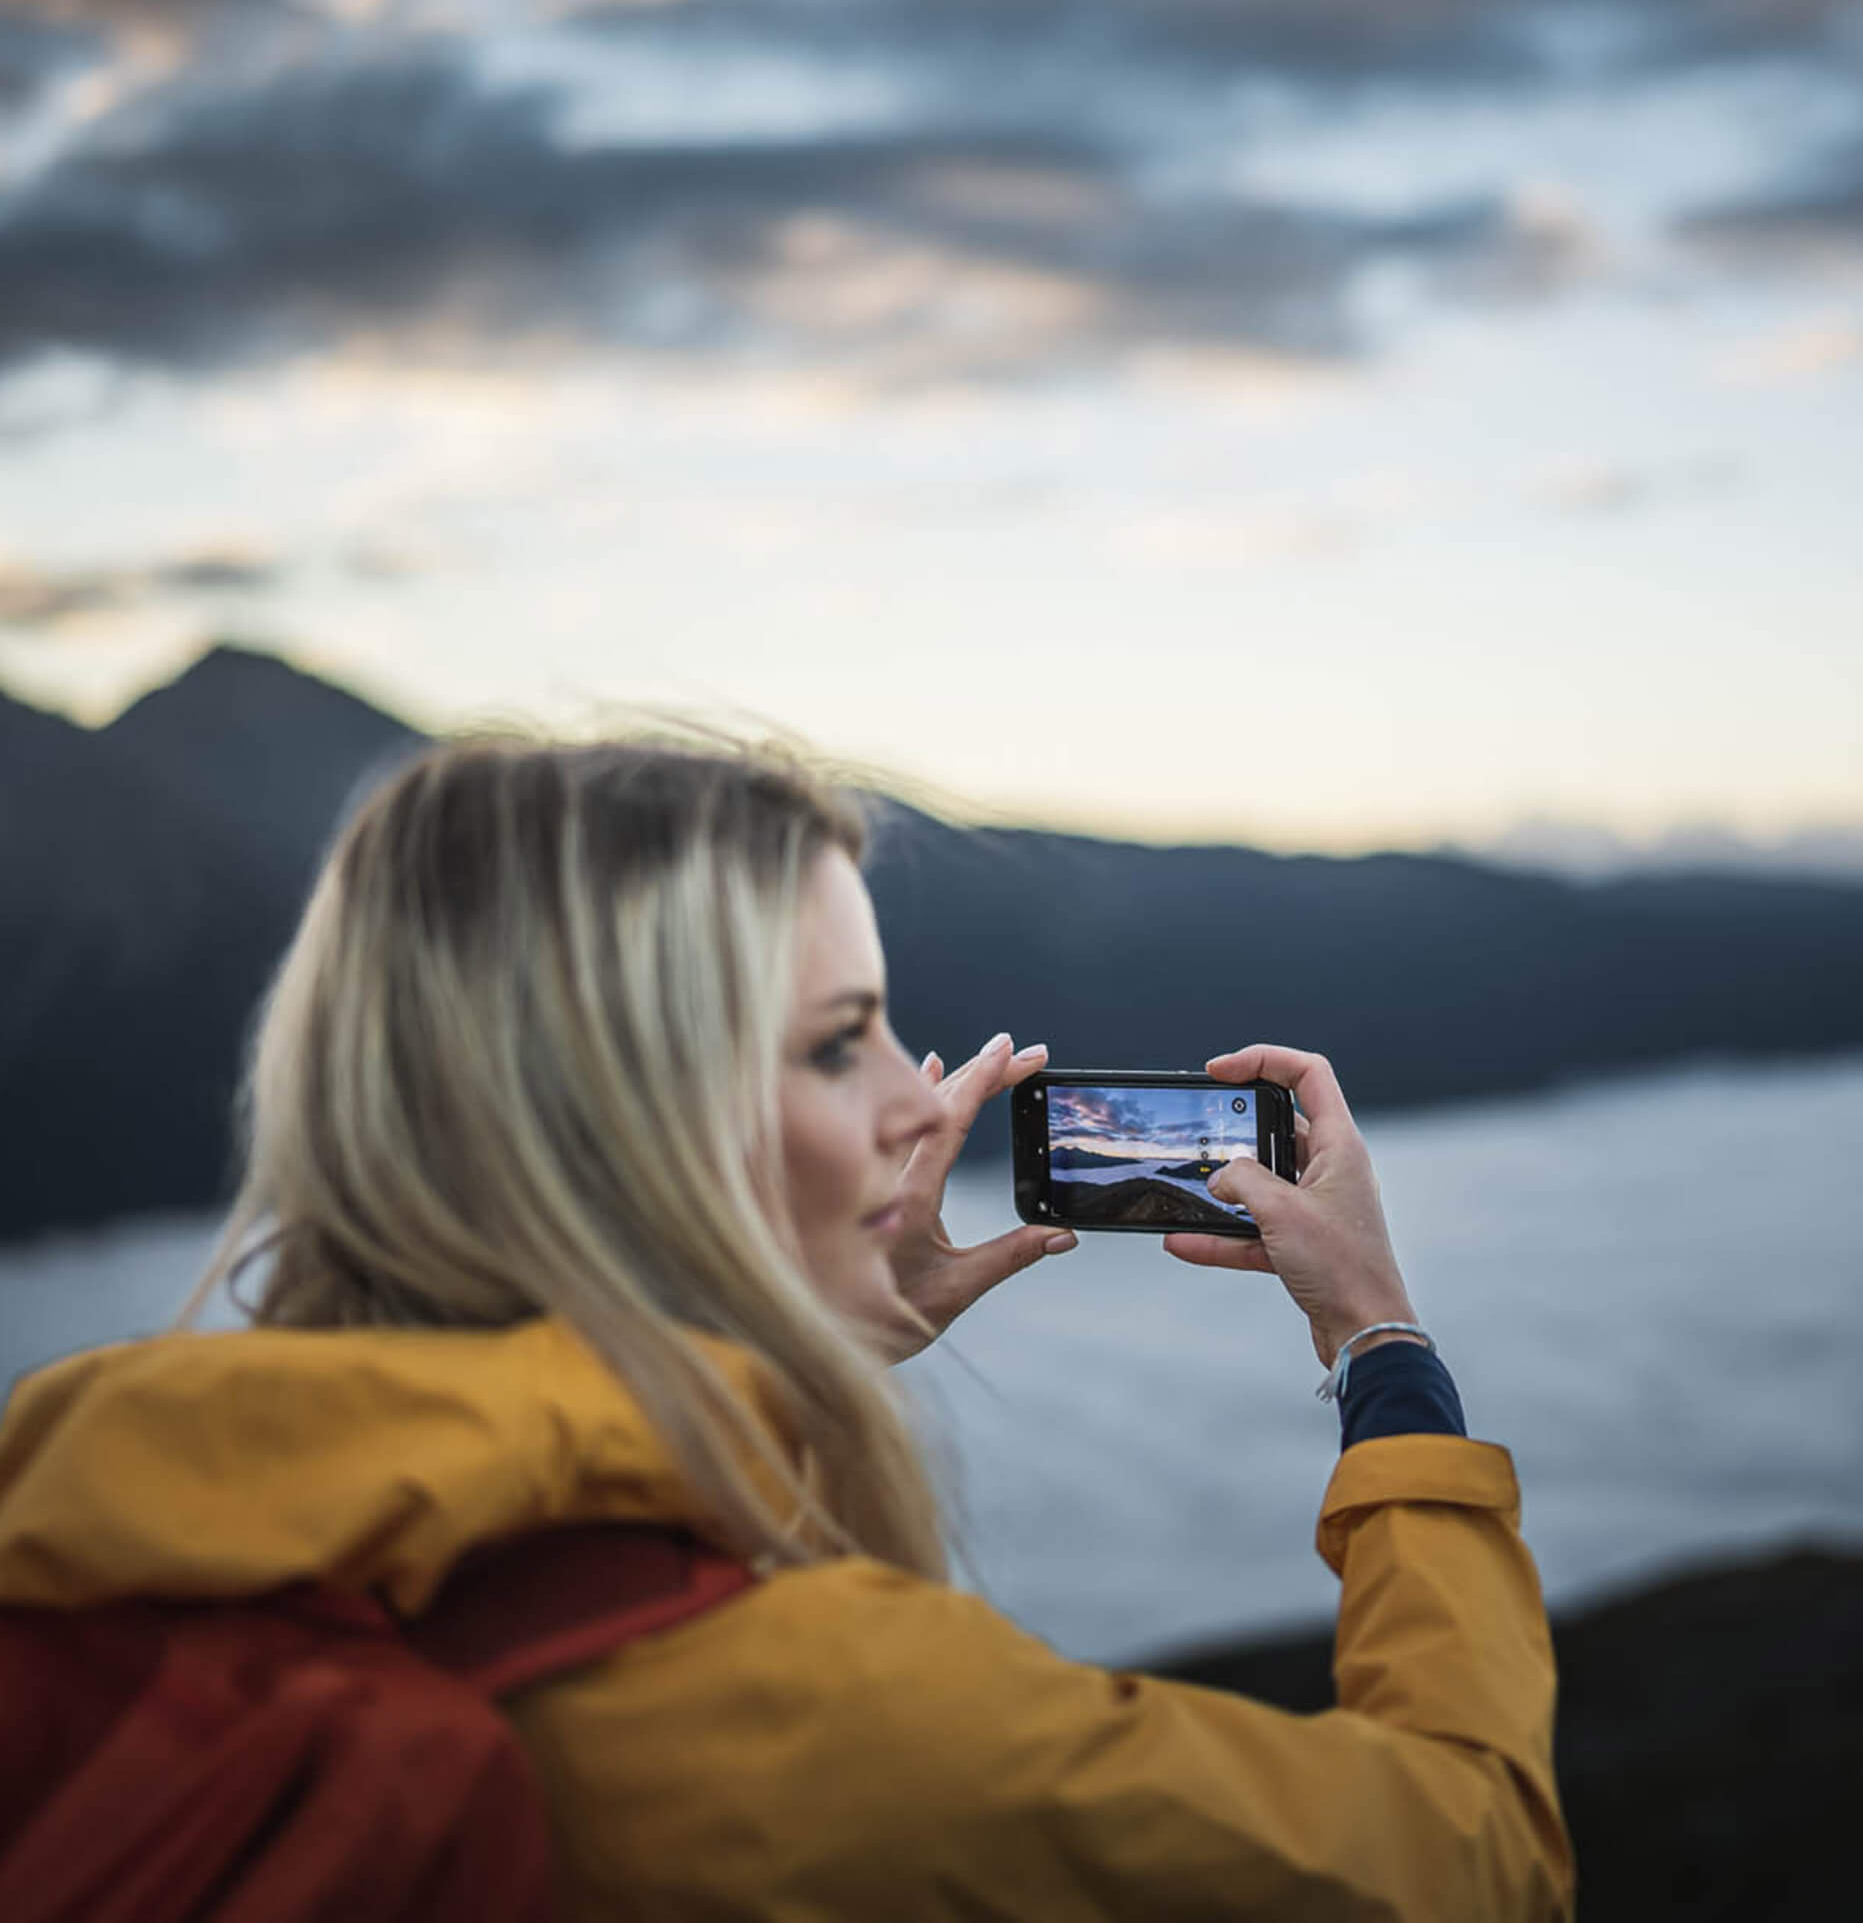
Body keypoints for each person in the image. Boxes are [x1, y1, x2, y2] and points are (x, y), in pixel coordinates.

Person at [0, 733, 1573, 1920]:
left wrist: (790, 1353)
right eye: (838, 1044)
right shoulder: (833, 1719)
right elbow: (1472, 1853)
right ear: (616, 1123)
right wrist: (1382, 1349)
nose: (918, 1099)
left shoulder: (119, 1495)